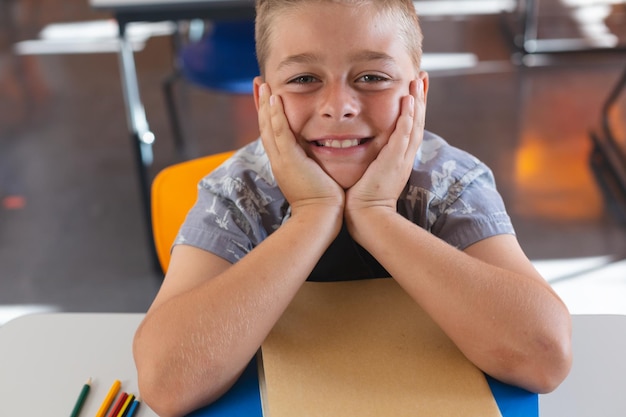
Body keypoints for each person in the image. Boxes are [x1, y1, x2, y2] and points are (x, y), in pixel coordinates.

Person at [133, 1, 573, 416]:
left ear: (417, 92)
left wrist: (376, 215)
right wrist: (312, 214)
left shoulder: (448, 183)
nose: (339, 107)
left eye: (373, 77)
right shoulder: (240, 192)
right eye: (304, 79)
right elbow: (167, 381)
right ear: (264, 98)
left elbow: (545, 357)